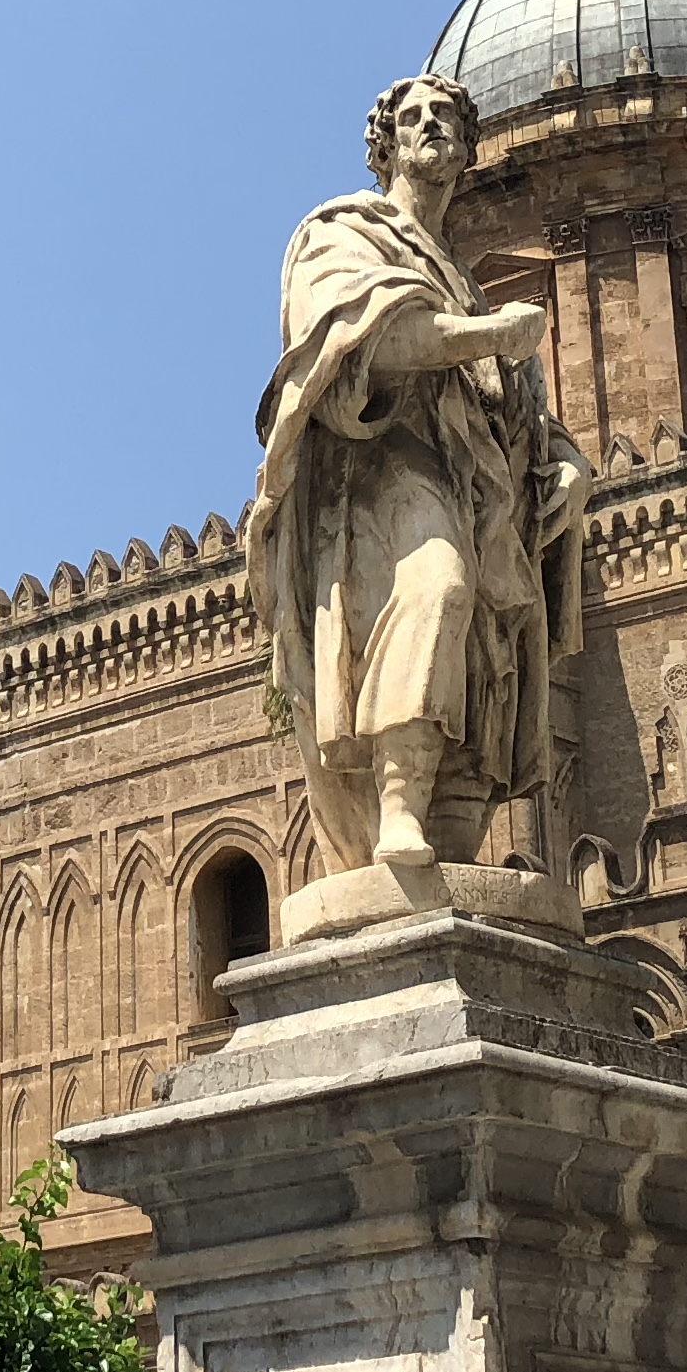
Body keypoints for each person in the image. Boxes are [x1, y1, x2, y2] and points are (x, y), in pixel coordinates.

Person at [248, 73, 590, 877]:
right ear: (386, 145)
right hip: (381, 474)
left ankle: (454, 838)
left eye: (446, 116)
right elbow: (363, 347)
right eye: (413, 117)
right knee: (437, 586)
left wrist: (574, 469)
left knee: (483, 658)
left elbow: (518, 413)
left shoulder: (464, 284)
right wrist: (489, 335)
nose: (431, 125)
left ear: (468, 147)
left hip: (483, 492)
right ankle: (399, 804)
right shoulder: (342, 235)